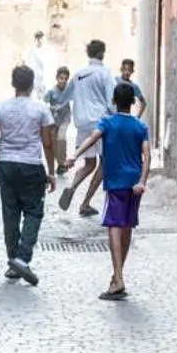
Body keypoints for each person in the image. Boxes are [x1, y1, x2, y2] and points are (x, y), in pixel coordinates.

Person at [0, 63, 58, 284]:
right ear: (31, 85)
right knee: (34, 212)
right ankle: (22, 258)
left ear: (13, 84)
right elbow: (47, 143)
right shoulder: (41, 110)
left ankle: (13, 261)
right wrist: (51, 171)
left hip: (6, 165)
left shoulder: (0, 108)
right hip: (31, 166)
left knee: (10, 212)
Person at [65, 80, 152, 299]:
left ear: (114, 101)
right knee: (127, 226)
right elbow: (147, 155)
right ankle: (117, 275)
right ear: (133, 102)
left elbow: (92, 138)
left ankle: (118, 277)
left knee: (114, 225)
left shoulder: (107, 122)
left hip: (115, 184)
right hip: (134, 183)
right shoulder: (141, 127)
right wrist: (142, 180)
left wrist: (75, 155)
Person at [58, 38, 114, 216]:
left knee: (89, 163)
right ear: (102, 53)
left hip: (82, 124)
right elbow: (111, 102)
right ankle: (85, 203)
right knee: (105, 163)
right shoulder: (105, 73)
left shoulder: (78, 75)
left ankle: (72, 186)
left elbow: (64, 97)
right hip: (100, 122)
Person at [44, 65, 73, 172]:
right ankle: (60, 164)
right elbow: (44, 103)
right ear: (57, 78)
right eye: (61, 78)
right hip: (54, 120)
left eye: (65, 79)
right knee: (54, 142)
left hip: (65, 118)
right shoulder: (51, 91)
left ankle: (62, 162)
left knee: (61, 137)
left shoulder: (69, 91)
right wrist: (52, 108)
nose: (63, 81)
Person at [24, 29, 49, 96]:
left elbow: (47, 65)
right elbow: (26, 62)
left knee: (42, 95)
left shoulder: (46, 50)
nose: (39, 40)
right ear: (35, 39)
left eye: (41, 38)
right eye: (38, 38)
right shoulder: (32, 50)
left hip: (42, 78)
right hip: (34, 77)